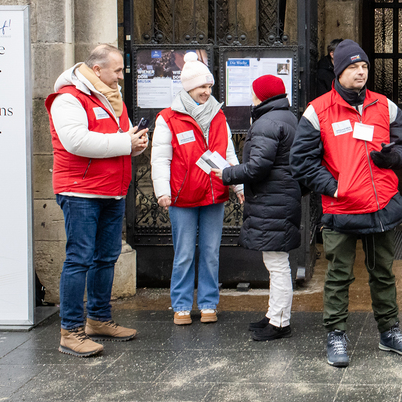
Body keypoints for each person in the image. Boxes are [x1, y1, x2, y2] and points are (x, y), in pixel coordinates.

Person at [291, 39, 402, 367]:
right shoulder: (318, 110)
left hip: (381, 205)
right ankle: (336, 334)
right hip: (342, 209)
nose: (361, 72)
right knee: (338, 276)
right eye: (353, 67)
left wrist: (392, 157)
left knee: (383, 274)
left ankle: (390, 332)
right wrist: (334, 188)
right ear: (339, 71)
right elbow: (301, 162)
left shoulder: (385, 106)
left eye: (364, 66)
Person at [46, 44, 148, 357]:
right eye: (117, 70)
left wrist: (134, 144)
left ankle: (99, 320)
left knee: (106, 257)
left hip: (111, 190)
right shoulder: (68, 98)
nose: (121, 76)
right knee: (79, 259)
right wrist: (124, 142)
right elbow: (76, 141)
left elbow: (116, 139)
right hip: (80, 192)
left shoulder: (112, 98)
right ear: (97, 70)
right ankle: (70, 332)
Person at [151, 52, 241, 326]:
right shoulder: (168, 118)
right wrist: (162, 191)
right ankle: (181, 304)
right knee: (185, 254)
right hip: (183, 196)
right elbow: (161, 158)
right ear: (188, 87)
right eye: (202, 86)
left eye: (209, 86)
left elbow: (229, 154)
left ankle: (208, 303)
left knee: (211, 253)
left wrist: (239, 185)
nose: (207, 92)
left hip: (214, 193)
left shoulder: (218, 116)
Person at [216, 75, 302, 342]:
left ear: (260, 95)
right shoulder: (287, 117)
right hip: (279, 197)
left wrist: (226, 174)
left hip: (272, 199)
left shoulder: (267, 122)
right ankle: (274, 314)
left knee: (277, 264)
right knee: (275, 261)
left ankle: (280, 322)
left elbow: (257, 167)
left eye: (253, 92)